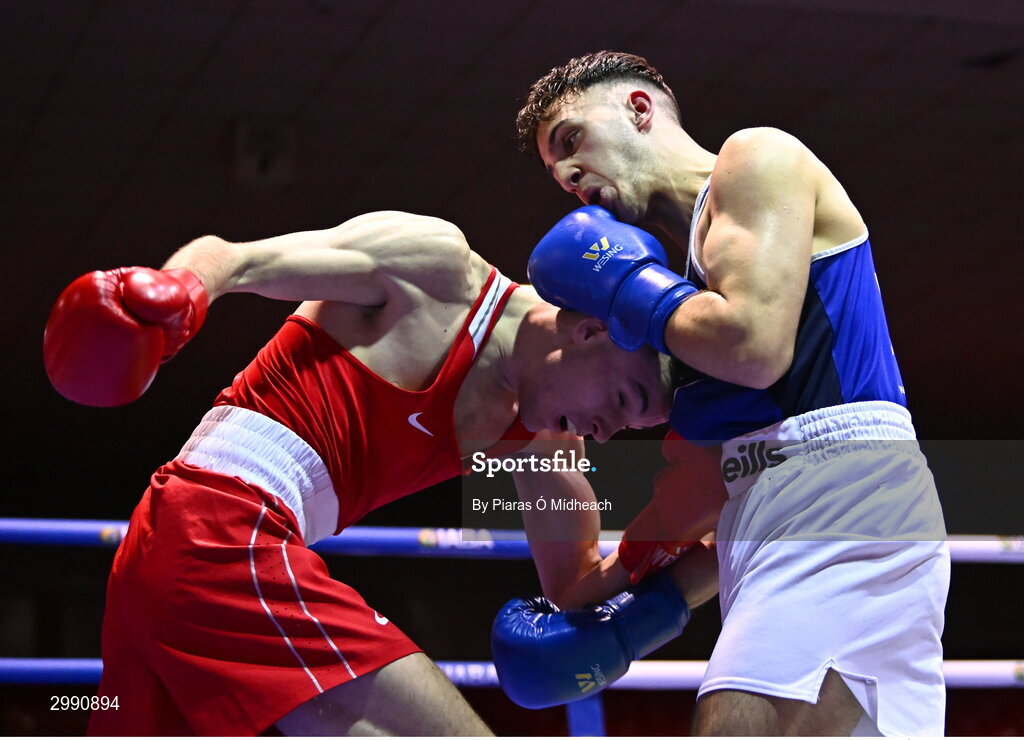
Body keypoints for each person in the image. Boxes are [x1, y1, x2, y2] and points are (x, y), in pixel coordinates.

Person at [42, 209, 679, 736]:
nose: (606, 433)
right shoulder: (439, 273)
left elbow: (576, 584)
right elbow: (237, 259)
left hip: (172, 552)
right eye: (624, 402)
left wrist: (682, 561)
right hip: (222, 531)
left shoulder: (540, 442)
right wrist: (180, 291)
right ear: (594, 330)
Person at [511, 51, 950, 735]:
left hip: (839, 492)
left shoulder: (752, 162)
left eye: (572, 140)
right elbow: (706, 516)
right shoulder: (686, 284)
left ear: (638, 108)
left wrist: (624, 288)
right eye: (554, 170)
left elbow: (754, 347)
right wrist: (630, 625)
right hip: (772, 515)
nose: (567, 174)